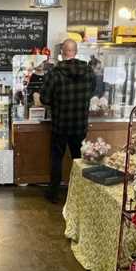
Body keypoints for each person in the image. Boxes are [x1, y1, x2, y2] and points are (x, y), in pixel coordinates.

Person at [40, 38, 95, 202]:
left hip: (60, 125)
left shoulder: (54, 73)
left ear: (62, 53)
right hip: (79, 125)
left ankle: (54, 194)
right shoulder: (88, 71)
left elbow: (44, 99)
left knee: (57, 158)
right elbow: (93, 91)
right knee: (79, 159)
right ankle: (80, 193)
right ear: (75, 52)